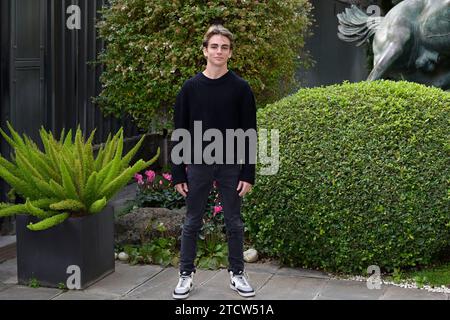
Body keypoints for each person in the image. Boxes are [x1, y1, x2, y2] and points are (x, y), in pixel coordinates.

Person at [170, 24, 257, 299]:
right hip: (198, 163)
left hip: (231, 164)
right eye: (214, 46)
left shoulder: (241, 88)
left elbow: (250, 133)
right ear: (205, 50)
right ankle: (185, 275)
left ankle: (237, 274)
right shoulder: (190, 88)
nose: (219, 51)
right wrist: (178, 174)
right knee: (192, 221)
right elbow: (179, 131)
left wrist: (248, 172)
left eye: (225, 47)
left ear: (230, 53)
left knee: (234, 222)